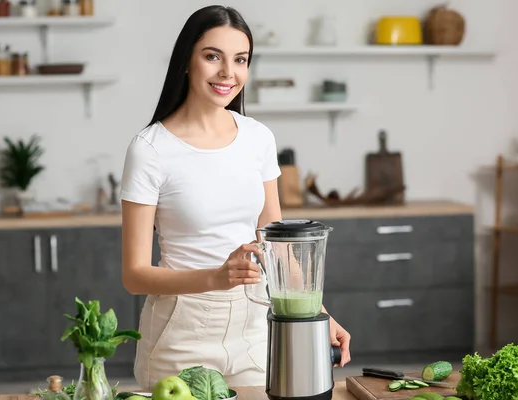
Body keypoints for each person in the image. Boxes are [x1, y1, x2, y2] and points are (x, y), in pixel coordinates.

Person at [119, 4, 352, 390]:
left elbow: (278, 248)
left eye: (240, 59)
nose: (229, 73)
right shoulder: (150, 149)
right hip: (181, 331)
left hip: (255, 324)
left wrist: (318, 317)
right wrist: (216, 276)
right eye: (213, 56)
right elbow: (134, 275)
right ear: (186, 62)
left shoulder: (258, 138)